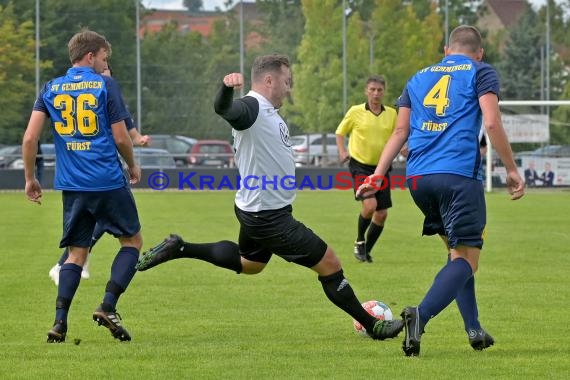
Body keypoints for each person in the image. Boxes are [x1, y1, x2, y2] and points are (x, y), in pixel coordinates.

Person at [135, 53, 404, 341]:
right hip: (268, 216)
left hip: (255, 209)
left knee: (250, 264)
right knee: (330, 263)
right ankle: (373, 325)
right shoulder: (252, 107)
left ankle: (180, 247)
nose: (289, 88)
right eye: (286, 82)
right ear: (269, 80)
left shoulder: (268, 111)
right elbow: (224, 108)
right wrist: (227, 88)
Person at [357, 25, 525, 356]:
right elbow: (491, 122)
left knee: (457, 255)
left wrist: (378, 174)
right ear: (479, 52)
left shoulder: (417, 78)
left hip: (418, 179)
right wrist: (511, 167)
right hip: (458, 176)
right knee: (467, 260)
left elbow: (400, 131)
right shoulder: (481, 71)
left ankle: (474, 329)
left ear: (446, 51)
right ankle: (421, 315)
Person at [22, 29, 143, 343]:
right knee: (131, 242)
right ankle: (108, 305)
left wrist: (30, 178)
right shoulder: (105, 84)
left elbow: (30, 138)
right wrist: (132, 164)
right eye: (104, 57)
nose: (105, 63)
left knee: (76, 254)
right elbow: (120, 137)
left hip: (72, 186)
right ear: (91, 56)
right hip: (106, 180)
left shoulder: (50, 87)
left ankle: (59, 323)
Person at [47, 65, 150, 286]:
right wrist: (132, 163)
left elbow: (128, 129)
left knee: (96, 225)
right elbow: (122, 137)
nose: (104, 77)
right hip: (102, 175)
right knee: (124, 234)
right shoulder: (100, 92)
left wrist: (139, 139)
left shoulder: (106, 97)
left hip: (78, 179)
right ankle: (68, 266)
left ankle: (62, 309)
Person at [335, 75, 397, 263]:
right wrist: (342, 150)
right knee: (370, 205)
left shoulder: (392, 114)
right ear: (366, 91)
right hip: (360, 165)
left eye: (379, 90)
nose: (376, 93)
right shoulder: (355, 111)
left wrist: (405, 149)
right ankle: (360, 239)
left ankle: (365, 251)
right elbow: (340, 132)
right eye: (372, 89)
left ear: (384, 92)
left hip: (382, 167)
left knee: (382, 213)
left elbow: (397, 136)